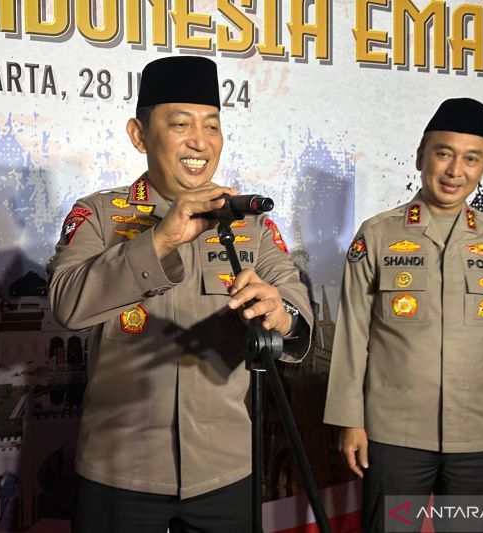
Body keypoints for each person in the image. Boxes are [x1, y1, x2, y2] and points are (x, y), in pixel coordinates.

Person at [48, 55, 313, 533]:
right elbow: (67, 303)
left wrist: (282, 314)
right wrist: (160, 240)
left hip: (225, 470)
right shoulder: (100, 215)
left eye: (212, 126)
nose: (200, 141)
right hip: (119, 471)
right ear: (139, 135)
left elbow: (296, 313)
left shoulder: (249, 224)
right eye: (180, 124)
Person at [324, 98, 483, 532]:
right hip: (394, 439)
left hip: (476, 441)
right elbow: (352, 335)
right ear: (421, 156)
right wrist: (350, 420)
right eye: (444, 153)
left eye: (471, 159)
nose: (455, 170)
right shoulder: (378, 234)